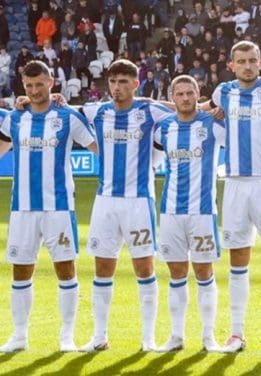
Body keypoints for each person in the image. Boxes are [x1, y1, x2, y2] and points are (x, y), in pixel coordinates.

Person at [0, 60, 97, 352]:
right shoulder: (15, 118)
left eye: (39, 84)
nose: (34, 91)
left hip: (58, 207)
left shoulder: (68, 117)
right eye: (28, 86)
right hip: (22, 208)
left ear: (51, 82)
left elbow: (97, 148)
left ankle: (66, 337)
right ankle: (19, 336)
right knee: (20, 271)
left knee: (66, 270)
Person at [79, 59, 172, 352]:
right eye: (113, 82)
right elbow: (61, 110)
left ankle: (148, 338)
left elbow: (187, 106)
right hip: (105, 202)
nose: (117, 88)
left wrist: (148, 97)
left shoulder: (149, 110)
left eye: (124, 82)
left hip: (138, 202)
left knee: (144, 267)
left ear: (135, 83)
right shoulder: (98, 111)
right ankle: (99, 336)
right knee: (102, 267)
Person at [210, 41, 261, 353]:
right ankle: (237, 333)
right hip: (233, 185)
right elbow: (194, 107)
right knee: (237, 260)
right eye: (240, 61)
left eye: (252, 60)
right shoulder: (222, 92)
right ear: (232, 65)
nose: (246, 65)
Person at [154, 75, 224, 353]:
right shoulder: (165, 128)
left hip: (203, 212)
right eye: (179, 94)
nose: (184, 98)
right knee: (176, 273)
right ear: (173, 97)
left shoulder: (212, 124)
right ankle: (176, 336)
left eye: (189, 93)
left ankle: (209, 338)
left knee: (205, 272)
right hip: (170, 212)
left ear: (198, 95)